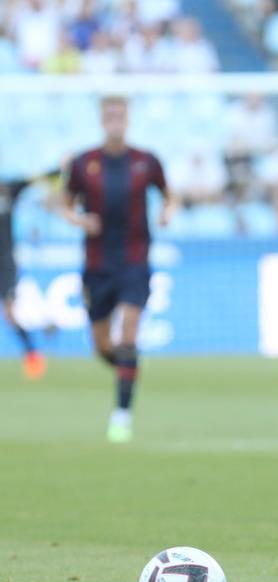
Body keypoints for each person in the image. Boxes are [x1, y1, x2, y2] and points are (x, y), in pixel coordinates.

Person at [60, 96, 174, 443]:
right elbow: (65, 204)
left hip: (135, 259)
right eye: (109, 115)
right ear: (101, 120)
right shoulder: (83, 163)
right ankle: (130, 366)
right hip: (97, 264)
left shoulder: (146, 161)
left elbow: (170, 195)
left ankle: (121, 416)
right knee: (101, 344)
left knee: (129, 331)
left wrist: (167, 212)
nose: (115, 121)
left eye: (120, 115)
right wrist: (79, 220)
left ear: (128, 119)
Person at [1, 175, 53, 380]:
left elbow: (39, 177)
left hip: (5, 262)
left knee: (9, 313)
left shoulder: (10, 187)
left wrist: (62, 168)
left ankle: (32, 355)